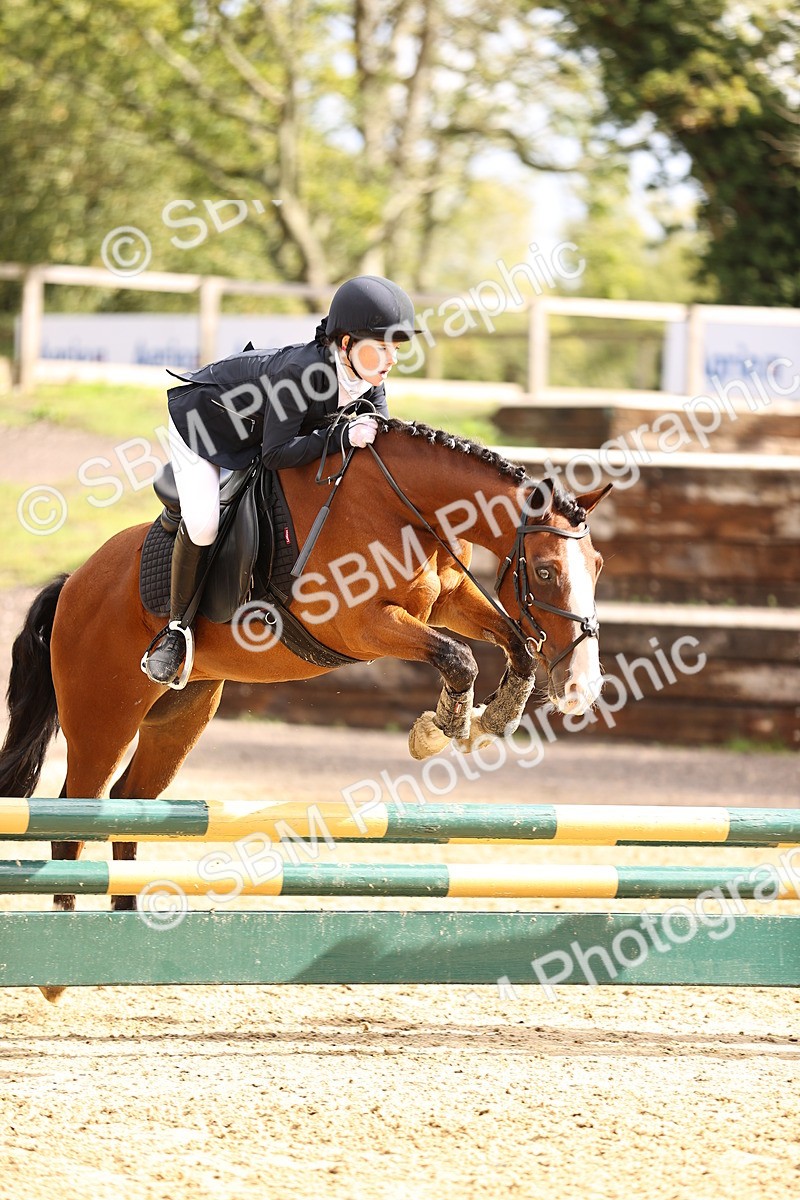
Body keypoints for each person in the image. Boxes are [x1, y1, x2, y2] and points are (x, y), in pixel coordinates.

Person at [142, 274, 420, 687]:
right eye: (381, 347)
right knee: (204, 524)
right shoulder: (298, 374)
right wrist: (342, 436)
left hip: (260, 432)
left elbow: (376, 442)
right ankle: (176, 632)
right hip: (205, 427)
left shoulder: (369, 378)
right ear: (346, 343)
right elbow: (275, 455)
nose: (391, 359)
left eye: (395, 348)